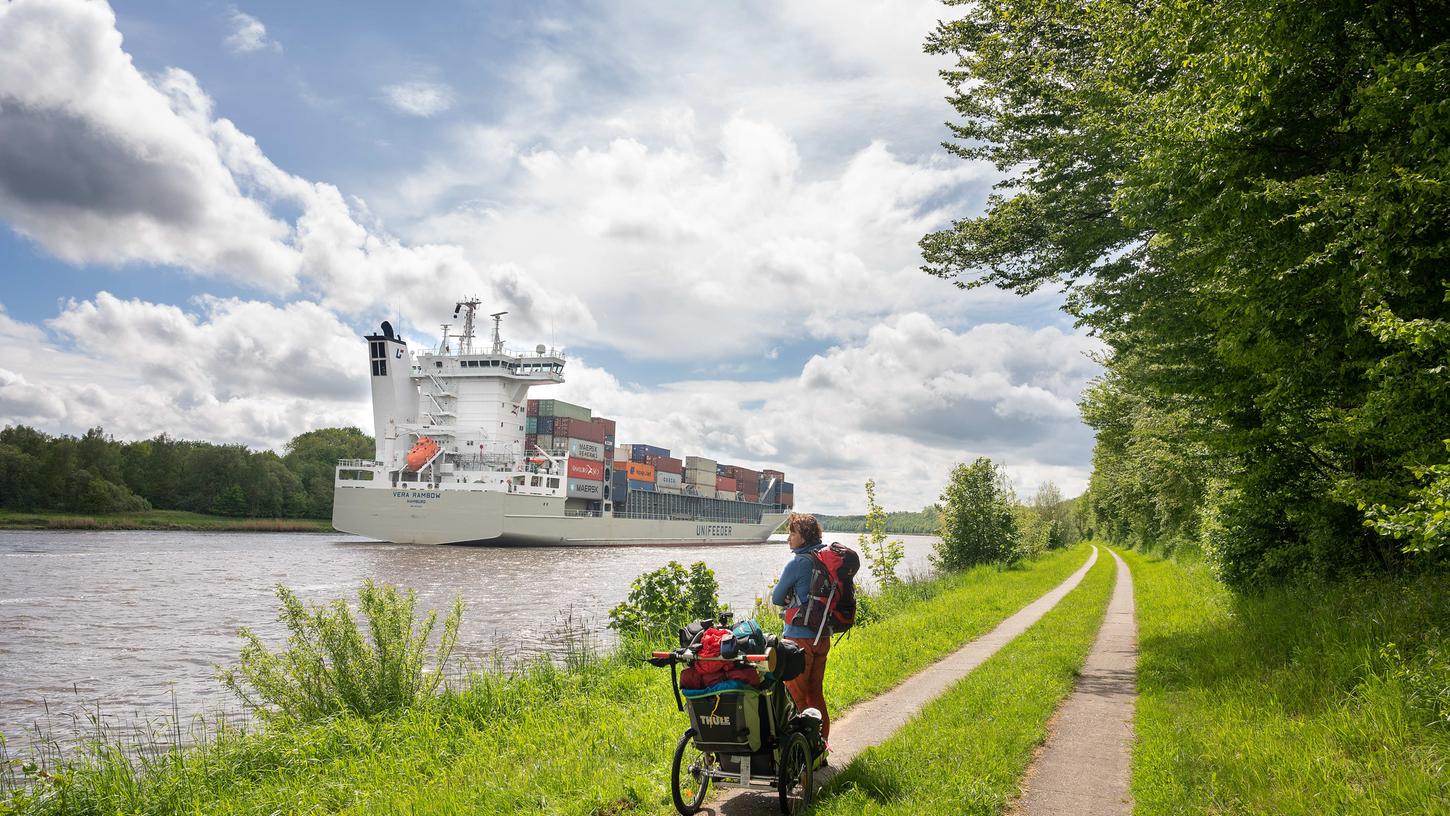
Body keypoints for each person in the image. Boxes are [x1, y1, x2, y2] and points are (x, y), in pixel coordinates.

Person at [772, 512, 831, 745]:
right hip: (821, 636)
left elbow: (777, 598)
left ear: (804, 536)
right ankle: (822, 744)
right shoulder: (823, 559)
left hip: (799, 639)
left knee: (797, 696)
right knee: (815, 692)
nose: (789, 538)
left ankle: (806, 750)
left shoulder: (797, 563)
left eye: (792, 533)